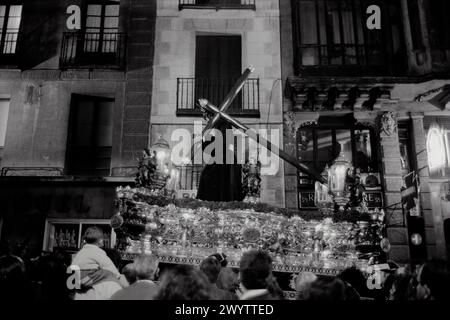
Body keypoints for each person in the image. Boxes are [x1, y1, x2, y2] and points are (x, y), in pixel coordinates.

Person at [71, 227, 124, 300]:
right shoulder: (98, 252)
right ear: (100, 241)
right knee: (109, 274)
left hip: (78, 279)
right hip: (90, 277)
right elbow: (108, 266)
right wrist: (118, 276)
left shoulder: (80, 252)